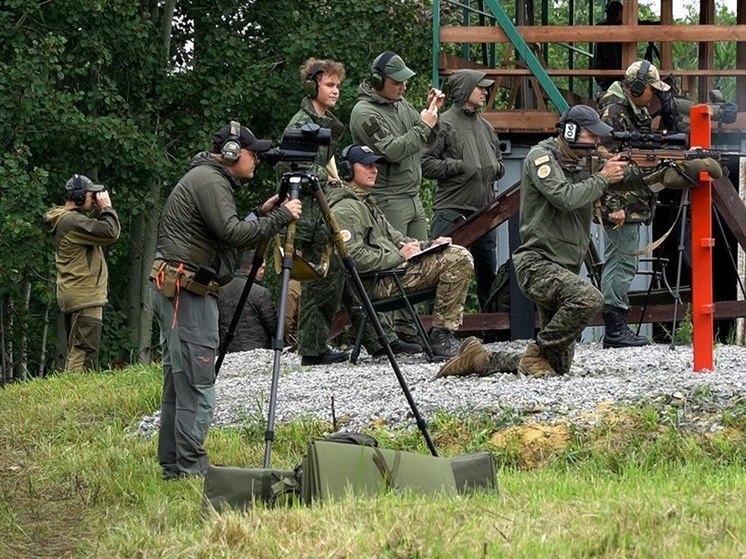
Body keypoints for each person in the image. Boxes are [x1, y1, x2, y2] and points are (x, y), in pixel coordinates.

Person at [150, 122, 302, 480]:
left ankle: (175, 464)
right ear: (232, 153)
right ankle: (191, 469)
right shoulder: (211, 181)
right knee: (198, 380)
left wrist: (262, 214)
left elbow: (221, 228)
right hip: (187, 291)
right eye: (252, 153)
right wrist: (283, 216)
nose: (257, 161)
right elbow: (231, 233)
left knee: (180, 379)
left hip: (178, 288)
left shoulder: (206, 178)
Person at [272, 57, 419, 365]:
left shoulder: (321, 120)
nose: (336, 91)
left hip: (326, 211)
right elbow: (292, 170)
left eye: (338, 85)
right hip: (312, 216)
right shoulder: (302, 124)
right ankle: (312, 350)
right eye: (329, 85)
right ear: (313, 86)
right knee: (322, 284)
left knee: (348, 280)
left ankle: (381, 341)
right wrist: (333, 184)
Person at [511, 105, 630, 377]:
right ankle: (536, 352)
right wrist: (602, 178)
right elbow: (565, 197)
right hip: (538, 263)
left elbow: (592, 191)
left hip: (565, 266)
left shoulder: (581, 160)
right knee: (589, 298)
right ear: (570, 131)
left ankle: (481, 360)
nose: (596, 142)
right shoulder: (541, 157)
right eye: (591, 136)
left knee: (558, 366)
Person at [327, 145, 474, 358]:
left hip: (391, 274)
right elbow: (353, 257)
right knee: (458, 258)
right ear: (347, 170)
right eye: (366, 165)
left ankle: (442, 333)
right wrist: (399, 256)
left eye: (375, 165)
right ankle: (441, 336)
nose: (374, 169)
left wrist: (429, 245)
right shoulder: (345, 209)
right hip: (380, 282)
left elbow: (398, 239)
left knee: (452, 251)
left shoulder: (365, 202)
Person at [350, 51, 445, 343]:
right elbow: (392, 150)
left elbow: (421, 139)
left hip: (412, 195)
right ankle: (386, 337)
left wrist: (431, 115)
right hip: (388, 197)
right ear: (379, 80)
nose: (403, 87)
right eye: (397, 82)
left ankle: (408, 328)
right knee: (393, 265)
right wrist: (423, 124)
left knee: (421, 262)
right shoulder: (364, 113)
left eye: (404, 82)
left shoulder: (400, 105)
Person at [595, 60, 673, 348]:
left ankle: (616, 328)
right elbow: (606, 159)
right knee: (622, 262)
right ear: (637, 88)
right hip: (621, 204)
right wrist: (614, 204)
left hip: (629, 200)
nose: (653, 95)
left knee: (624, 262)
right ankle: (615, 330)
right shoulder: (614, 111)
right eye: (651, 89)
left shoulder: (626, 107)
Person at [422, 69, 506, 308]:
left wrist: (495, 168)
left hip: (484, 211)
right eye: (480, 87)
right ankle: (431, 329)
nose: (485, 91)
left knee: (488, 273)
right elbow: (425, 163)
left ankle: (491, 329)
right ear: (464, 89)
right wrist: (459, 166)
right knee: (437, 271)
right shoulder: (444, 123)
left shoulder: (487, 127)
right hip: (451, 210)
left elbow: (498, 161)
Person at [44, 174, 120, 372]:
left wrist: (96, 208)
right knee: (84, 350)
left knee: (80, 348)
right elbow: (111, 232)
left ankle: (75, 390)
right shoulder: (71, 221)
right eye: (90, 194)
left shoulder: (69, 220)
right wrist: (106, 208)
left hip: (77, 294)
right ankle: (72, 395)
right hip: (84, 295)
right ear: (78, 196)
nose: (94, 197)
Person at [217, 251, 277, 352]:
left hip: (226, 352)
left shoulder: (221, 291)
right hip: (256, 353)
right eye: (262, 268)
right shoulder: (261, 293)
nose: (263, 272)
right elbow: (273, 327)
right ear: (253, 267)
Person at [592, 1, 623, 93]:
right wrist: (618, 75)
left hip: (603, 74)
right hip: (609, 75)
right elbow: (611, 55)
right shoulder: (611, 29)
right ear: (620, 12)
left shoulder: (603, 27)